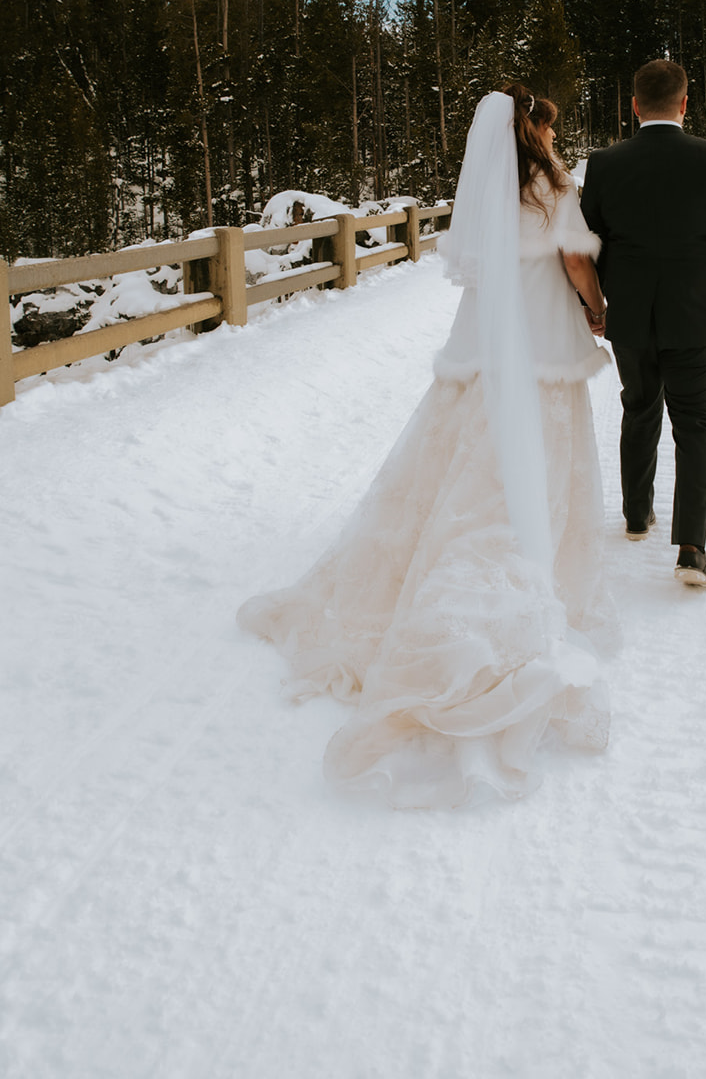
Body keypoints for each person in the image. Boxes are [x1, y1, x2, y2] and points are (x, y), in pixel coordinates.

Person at [237, 86, 616, 809]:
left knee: (464, 450)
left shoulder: (484, 191)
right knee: (537, 449)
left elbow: (475, 265)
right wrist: (597, 306)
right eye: (549, 123)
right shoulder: (548, 185)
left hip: (482, 339)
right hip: (538, 337)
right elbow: (572, 261)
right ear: (534, 129)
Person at [579, 60, 706, 589]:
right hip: (696, 314)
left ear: (634, 106)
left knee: (638, 406)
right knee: (695, 424)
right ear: (685, 104)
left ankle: (637, 516)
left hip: (628, 316)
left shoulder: (605, 164)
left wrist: (593, 305)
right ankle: (690, 550)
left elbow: (589, 241)